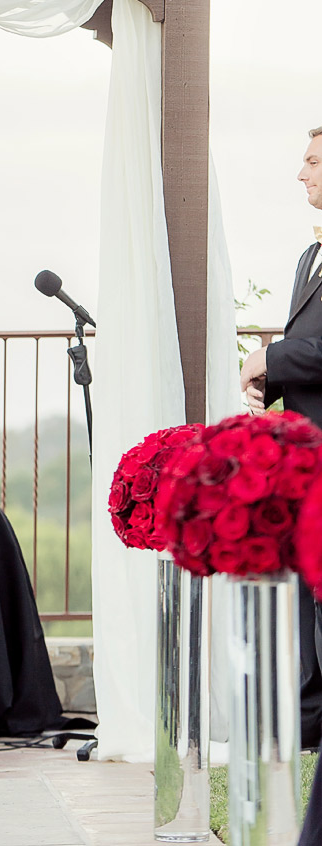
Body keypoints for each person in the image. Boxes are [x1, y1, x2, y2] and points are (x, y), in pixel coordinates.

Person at [241, 124, 322, 750]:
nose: (302, 174)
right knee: (300, 594)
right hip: (304, 451)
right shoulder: (307, 256)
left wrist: (271, 355)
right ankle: (304, 731)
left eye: (313, 162)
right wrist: (264, 384)